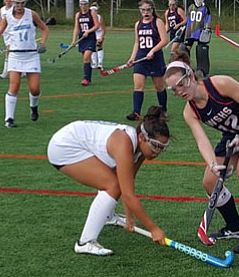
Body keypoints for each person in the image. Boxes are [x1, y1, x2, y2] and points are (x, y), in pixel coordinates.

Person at [164, 52, 239, 255]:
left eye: (181, 84)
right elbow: (202, 140)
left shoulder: (220, 84)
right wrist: (212, 164)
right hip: (233, 133)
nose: (180, 91)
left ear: (191, 75)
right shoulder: (189, 112)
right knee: (209, 180)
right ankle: (236, 227)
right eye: (174, 90)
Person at [47, 106, 169, 256]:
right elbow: (128, 194)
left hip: (77, 139)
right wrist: (153, 229)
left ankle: (108, 216)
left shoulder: (142, 149)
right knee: (112, 185)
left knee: (116, 180)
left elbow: (129, 182)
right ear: (142, 138)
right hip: (64, 146)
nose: (158, 152)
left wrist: (129, 218)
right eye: (156, 146)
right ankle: (85, 242)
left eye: (163, 148)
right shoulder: (124, 144)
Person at [0, 0, 49, 128]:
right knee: (14, 87)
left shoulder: (31, 14)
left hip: (31, 55)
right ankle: (9, 119)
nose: (20, 6)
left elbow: (45, 29)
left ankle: (33, 107)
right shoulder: (7, 16)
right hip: (15, 55)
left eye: (22, 3)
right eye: (17, 3)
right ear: (13, 3)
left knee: (34, 89)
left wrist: (42, 43)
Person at [125, 0, 169, 121]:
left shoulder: (158, 22)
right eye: (143, 10)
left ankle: (163, 110)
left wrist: (153, 51)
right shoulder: (137, 24)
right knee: (138, 86)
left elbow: (164, 40)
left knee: (159, 87)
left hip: (155, 59)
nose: (146, 12)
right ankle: (136, 112)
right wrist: (132, 58)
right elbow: (137, 43)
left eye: (148, 10)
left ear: (152, 10)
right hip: (141, 58)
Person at [71, 0, 99, 86]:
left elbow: (97, 25)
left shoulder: (92, 13)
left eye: (85, 4)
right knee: (86, 60)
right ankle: (89, 78)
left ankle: (85, 78)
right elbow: (76, 28)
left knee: (87, 57)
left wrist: (88, 31)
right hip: (82, 38)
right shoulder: (78, 15)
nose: (83, 6)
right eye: (81, 4)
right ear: (79, 5)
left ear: (87, 4)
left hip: (90, 38)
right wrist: (74, 40)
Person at [184, 0, 212, 77]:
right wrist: (185, 28)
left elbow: (208, 19)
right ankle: (186, 67)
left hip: (201, 32)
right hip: (190, 31)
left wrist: (207, 28)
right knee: (185, 49)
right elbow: (188, 19)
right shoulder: (190, 7)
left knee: (201, 50)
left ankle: (202, 69)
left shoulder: (205, 8)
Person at [0, 0, 13, 79]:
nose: (8, 1)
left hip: (14, 33)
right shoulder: (2, 10)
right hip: (6, 33)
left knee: (9, 51)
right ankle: (22, 70)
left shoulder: (15, 8)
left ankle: (6, 70)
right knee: (12, 51)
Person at [89, 2, 106, 70]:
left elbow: (103, 29)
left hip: (99, 33)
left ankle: (100, 63)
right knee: (92, 48)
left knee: (99, 46)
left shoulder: (99, 17)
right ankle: (94, 63)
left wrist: (101, 37)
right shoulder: (89, 17)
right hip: (92, 33)